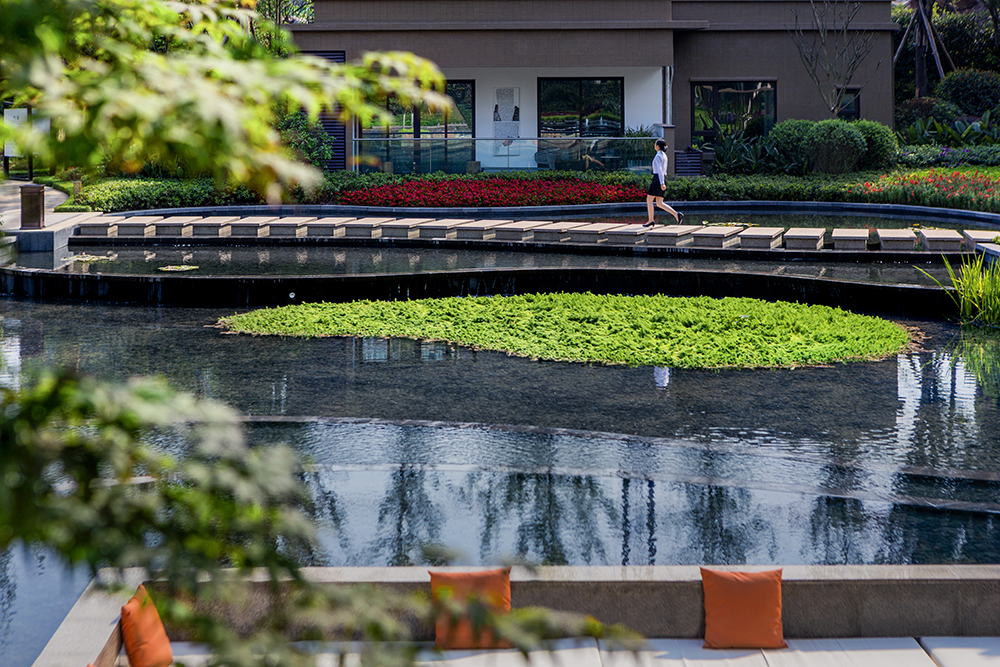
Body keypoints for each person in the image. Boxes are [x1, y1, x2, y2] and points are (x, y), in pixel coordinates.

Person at [643, 139, 683, 227]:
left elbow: (660, 171)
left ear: (657, 146)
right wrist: (663, 182)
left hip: (658, 179)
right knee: (659, 203)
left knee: (649, 200)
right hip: (662, 179)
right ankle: (676, 214)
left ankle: (650, 220)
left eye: (655, 144)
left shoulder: (658, 156)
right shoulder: (664, 155)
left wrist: (661, 183)